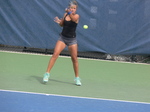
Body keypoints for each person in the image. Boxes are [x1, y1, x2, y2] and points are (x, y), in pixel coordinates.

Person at [43, 0, 81, 86]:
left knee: (74, 59)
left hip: (72, 40)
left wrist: (69, 12)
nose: (73, 9)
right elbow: (62, 25)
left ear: (76, 9)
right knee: (55, 54)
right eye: (72, 8)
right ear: (69, 7)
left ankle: (77, 78)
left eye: (75, 8)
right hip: (62, 38)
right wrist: (59, 21)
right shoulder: (65, 15)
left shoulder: (76, 16)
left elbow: (73, 19)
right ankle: (47, 74)